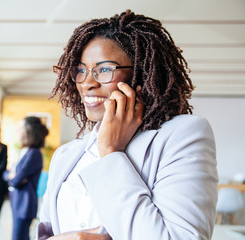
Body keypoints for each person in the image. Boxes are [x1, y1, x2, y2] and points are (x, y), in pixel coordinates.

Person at [38, 10, 218, 240]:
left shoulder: (183, 135)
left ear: (140, 75)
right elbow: (46, 233)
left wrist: (110, 151)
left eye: (104, 69)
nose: (87, 83)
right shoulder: (65, 155)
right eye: (81, 70)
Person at [4, 116, 49, 240]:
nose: (17, 131)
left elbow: (17, 181)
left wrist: (13, 177)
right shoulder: (25, 151)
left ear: (29, 131)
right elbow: (8, 175)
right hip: (18, 203)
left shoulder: (34, 154)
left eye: (20, 128)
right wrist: (11, 176)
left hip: (25, 205)